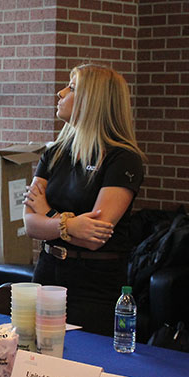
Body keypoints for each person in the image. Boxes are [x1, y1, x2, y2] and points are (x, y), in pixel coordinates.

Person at [23, 64, 147, 336]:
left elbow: (94, 235)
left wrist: (49, 214)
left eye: (72, 87)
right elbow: (30, 224)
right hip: (47, 272)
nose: (61, 92)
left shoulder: (122, 158)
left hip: (94, 284)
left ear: (93, 101)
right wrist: (67, 225)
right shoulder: (54, 153)